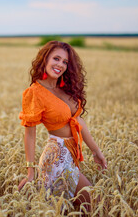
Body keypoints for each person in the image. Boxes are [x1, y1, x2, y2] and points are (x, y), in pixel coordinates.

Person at [18, 40, 107, 208]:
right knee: (95, 202)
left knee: (79, 209)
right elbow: (30, 133)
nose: (60, 64)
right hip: (56, 158)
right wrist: (31, 172)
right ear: (45, 60)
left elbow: (78, 121)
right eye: (56, 59)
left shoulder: (66, 89)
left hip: (72, 155)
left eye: (65, 62)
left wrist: (96, 152)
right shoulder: (35, 92)